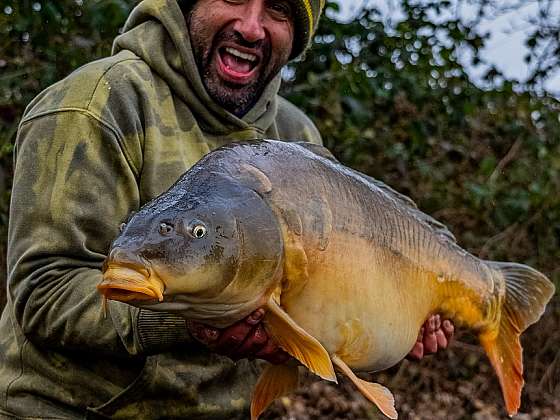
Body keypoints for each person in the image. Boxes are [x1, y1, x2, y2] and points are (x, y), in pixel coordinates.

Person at [0, 0, 453, 418]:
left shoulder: (295, 135)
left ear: (297, 35)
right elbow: (44, 294)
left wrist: (399, 319)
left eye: (277, 10)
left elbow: (317, 315)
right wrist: (191, 318)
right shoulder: (96, 104)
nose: (251, 27)